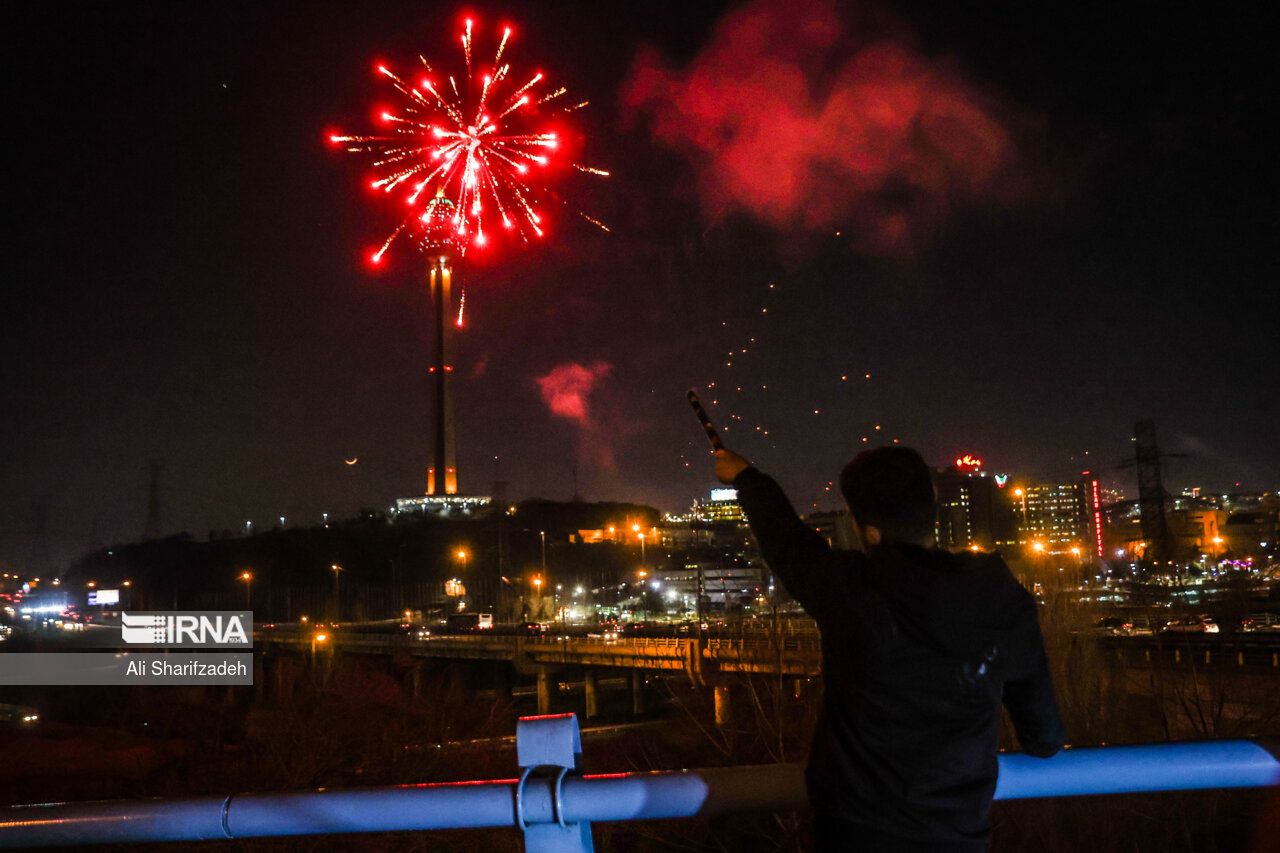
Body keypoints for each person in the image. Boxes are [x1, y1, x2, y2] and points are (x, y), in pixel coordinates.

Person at [714, 445, 1065, 852]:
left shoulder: (851, 592)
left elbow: (786, 540)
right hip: (957, 840)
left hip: (854, 835)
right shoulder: (1001, 599)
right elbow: (1045, 737)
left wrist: (746, 477)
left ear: (869, 531)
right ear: (933, 501)